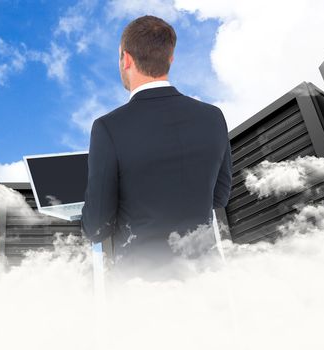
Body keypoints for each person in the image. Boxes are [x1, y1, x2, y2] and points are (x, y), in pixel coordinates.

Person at [81, 15, 232, 281]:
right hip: (205, 278)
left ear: (126, 59)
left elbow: (97, 227)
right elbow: (219, 198)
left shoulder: (108, 128)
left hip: (142, 286)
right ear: (170, 59)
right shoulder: (213, 117)